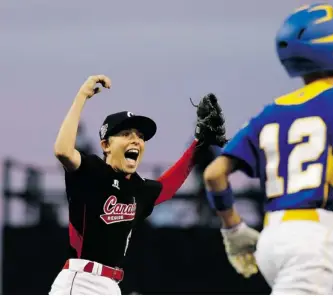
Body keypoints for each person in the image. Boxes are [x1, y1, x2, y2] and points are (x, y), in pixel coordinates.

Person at [202, 3, 333, 295]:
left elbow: (214, 174)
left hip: (273, 239)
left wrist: (234, 230)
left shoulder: (268, 113)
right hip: (311, 240)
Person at [50, 75, 226, 295]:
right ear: (105, 145)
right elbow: (63, 151)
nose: (135, 140)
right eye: (126, 134)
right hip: (81, 281)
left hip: (110, 285)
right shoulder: (91, 171)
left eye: (140, 136)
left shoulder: (138, 188)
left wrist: (197, 146)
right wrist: (82, 97)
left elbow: (167, 186)